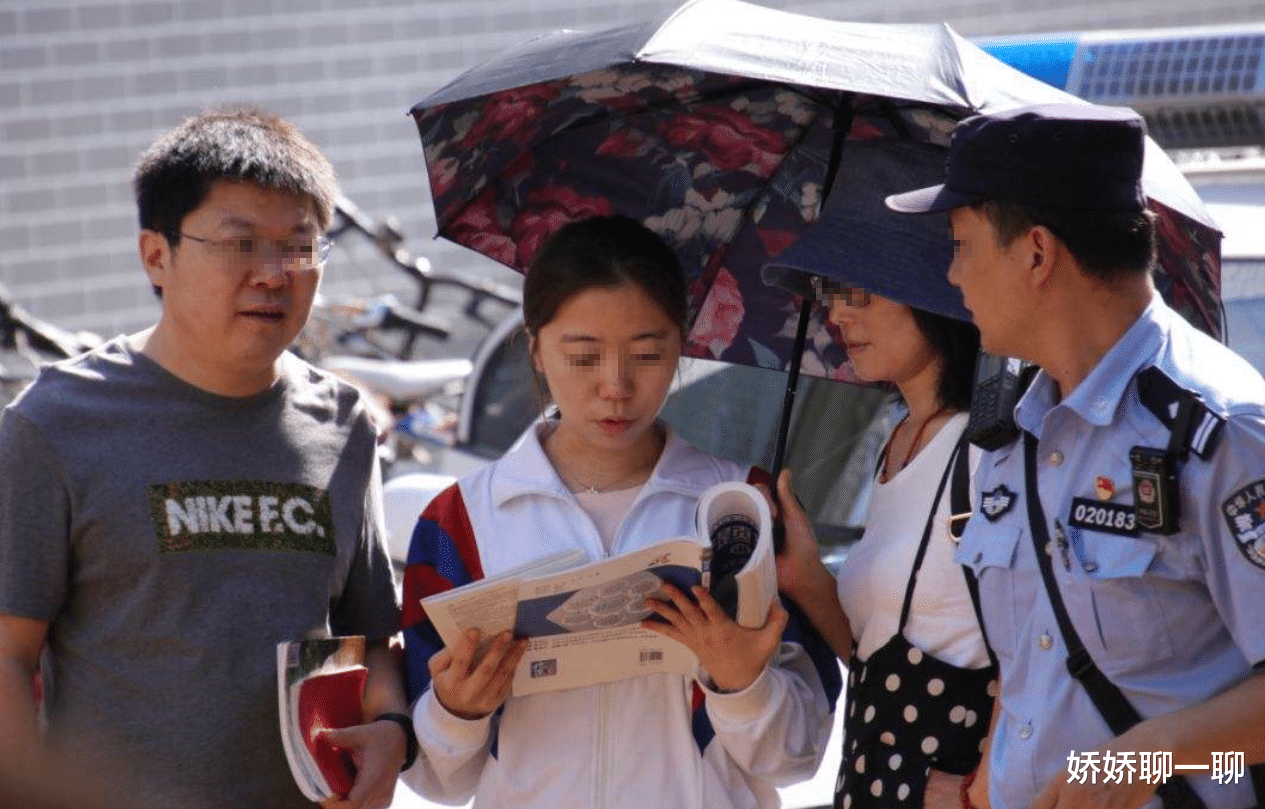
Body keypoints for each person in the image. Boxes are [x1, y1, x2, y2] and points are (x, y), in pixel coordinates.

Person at [0, 109, 411, 809]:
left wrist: (393, 729)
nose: (274, 275)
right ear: (156, 254)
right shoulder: (55, 423)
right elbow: (9, 656)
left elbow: (369, 639)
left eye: (299, 246)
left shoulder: (343, 426)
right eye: (240, 244)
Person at [886, 103, 1265, 809]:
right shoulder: (1008, 433)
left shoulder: (1220, 428)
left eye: (961, 244)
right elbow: (1038, 663)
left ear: (1034, 251)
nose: (950, 274)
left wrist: (1132, 762)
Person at [399, 214, 837, 809]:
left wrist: (742, 682)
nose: (616, 386)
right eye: (583, 357)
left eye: (648, 354)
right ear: (535, 349)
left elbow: (798, 758)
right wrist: (457, 711)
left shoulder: (742, 510)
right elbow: (431, 779)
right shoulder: (458, 523)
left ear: (681, 345)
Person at [763, 139, 995, 809]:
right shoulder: (897, 441)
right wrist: (805, 575)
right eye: (827, 290)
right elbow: (879, 658)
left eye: (856, 288)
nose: (836, 312)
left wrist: (985, 790)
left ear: (927, 287)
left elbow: (1035, 658)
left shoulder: (988, 450)